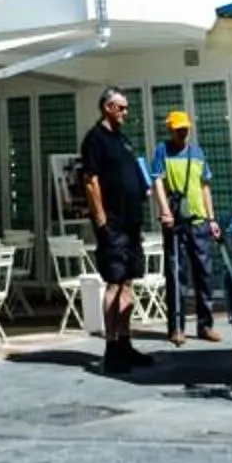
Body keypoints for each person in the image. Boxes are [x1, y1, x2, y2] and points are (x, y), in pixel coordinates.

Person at [79, 87, 149, 375]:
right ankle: (111, 347)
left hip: (131, 222)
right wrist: (102, 222)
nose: (125, 112)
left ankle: (125, 341)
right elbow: (90, 181)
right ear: (107, 107)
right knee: (114, 282)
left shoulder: (122, 139)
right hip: (114, 223)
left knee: (128, 283)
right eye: (121, 107)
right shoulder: (95, 139)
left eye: (126, 108)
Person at [148, 110, 220, 346]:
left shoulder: (198, 153)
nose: (183, 132)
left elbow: (205, 186)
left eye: (185, 128)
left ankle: (205, 326)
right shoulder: (162, 151)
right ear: (170, 129)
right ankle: (176, 328)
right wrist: (164, 210)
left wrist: (212, 218)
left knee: (205, 274)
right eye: (178, 129)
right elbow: (157, 180)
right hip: (176, 221)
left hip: (199, 221)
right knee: (176, 275)